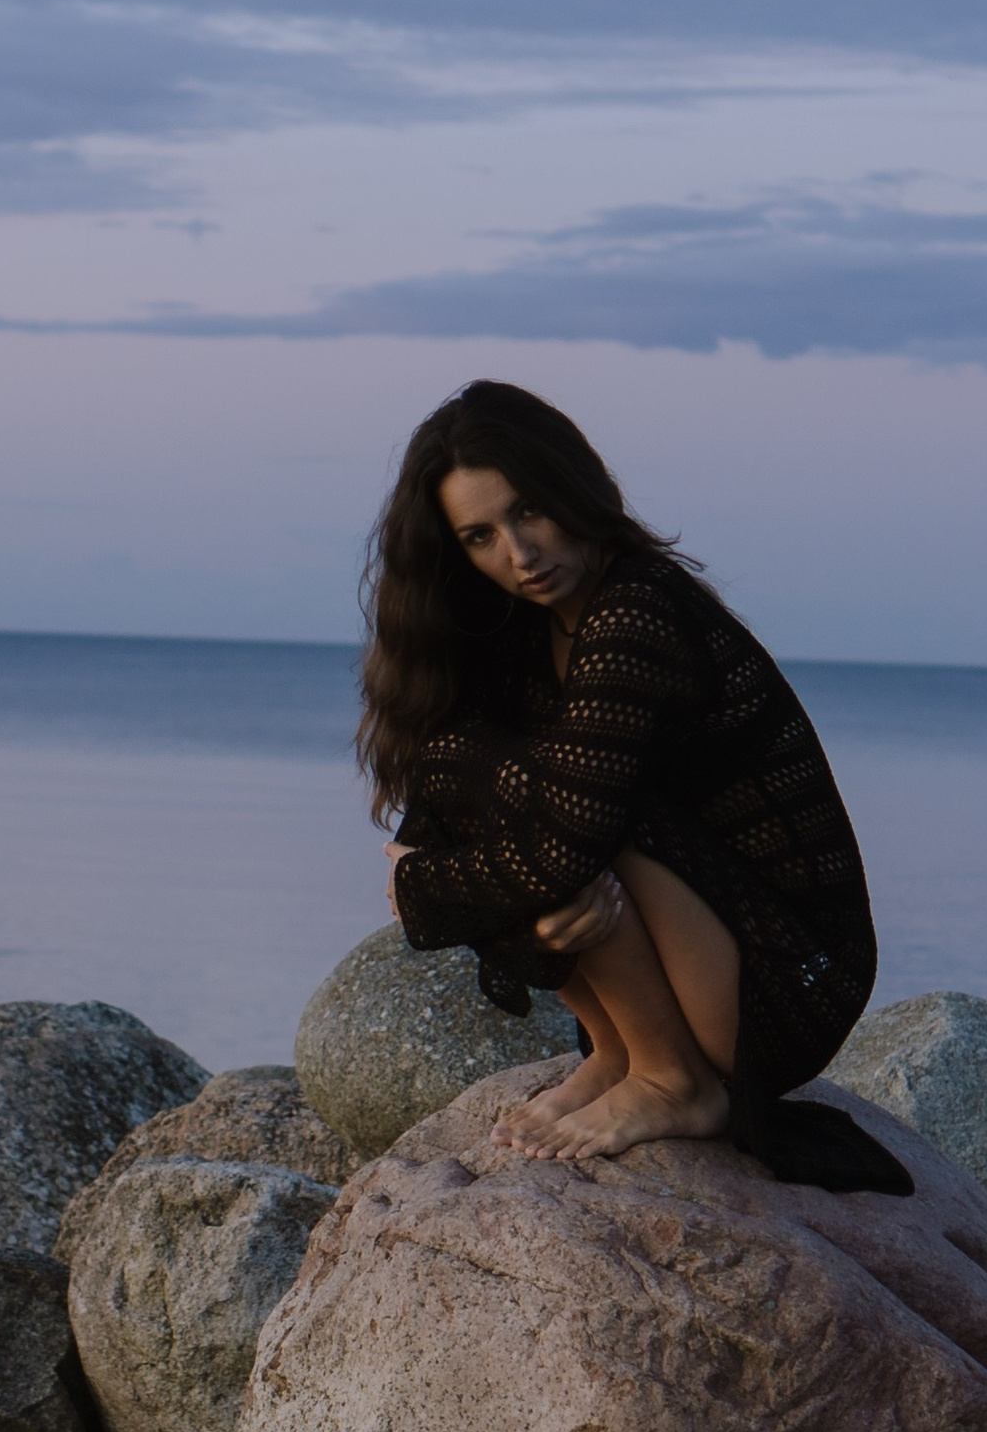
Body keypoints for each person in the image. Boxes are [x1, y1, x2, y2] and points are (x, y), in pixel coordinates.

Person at [359, 377, 905, 1187]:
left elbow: (560, 845)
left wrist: (421, 889)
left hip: (783, 978)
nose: (519, 554)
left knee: (551, 818)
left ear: (575, 487)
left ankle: (672, 1078)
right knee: (476, 774)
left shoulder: (636, 611)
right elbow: (452, 810)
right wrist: (475, 892)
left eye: (529, 511)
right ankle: (620, 1052)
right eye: (479, 536)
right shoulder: (528, 632)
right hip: (696, 940)